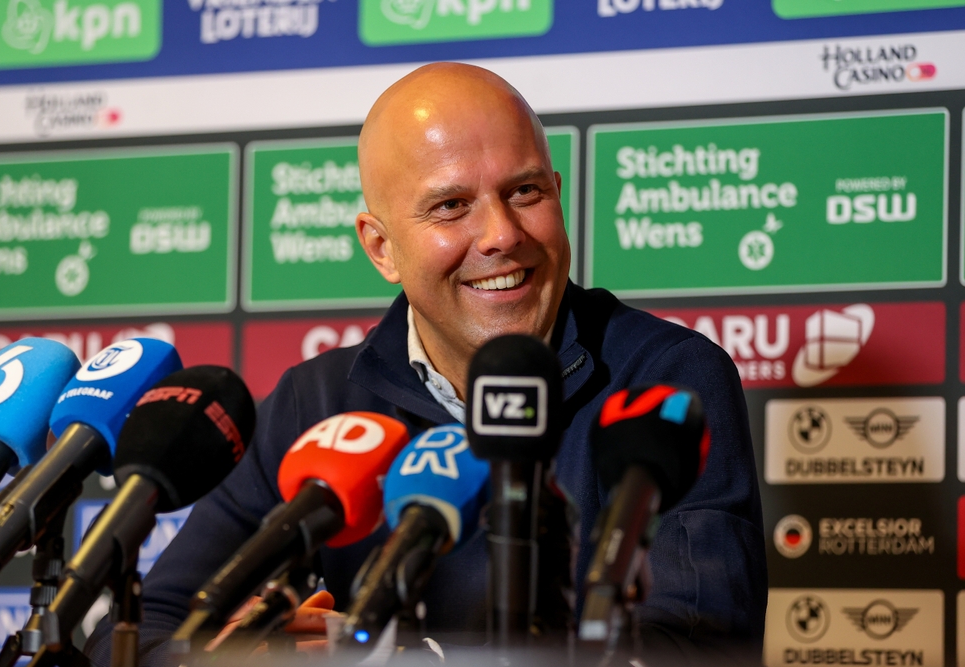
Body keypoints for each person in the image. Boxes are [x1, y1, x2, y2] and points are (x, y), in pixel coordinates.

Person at [85, 62, 766, 664]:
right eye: (452, 205)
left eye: (526, 192)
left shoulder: (669, 378)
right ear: (381, 247)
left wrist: (395, 655)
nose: (502, 234)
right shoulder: (313, 402)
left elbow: (698, 646)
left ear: (559, 193)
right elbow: (136, 633)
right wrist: (242, 652)